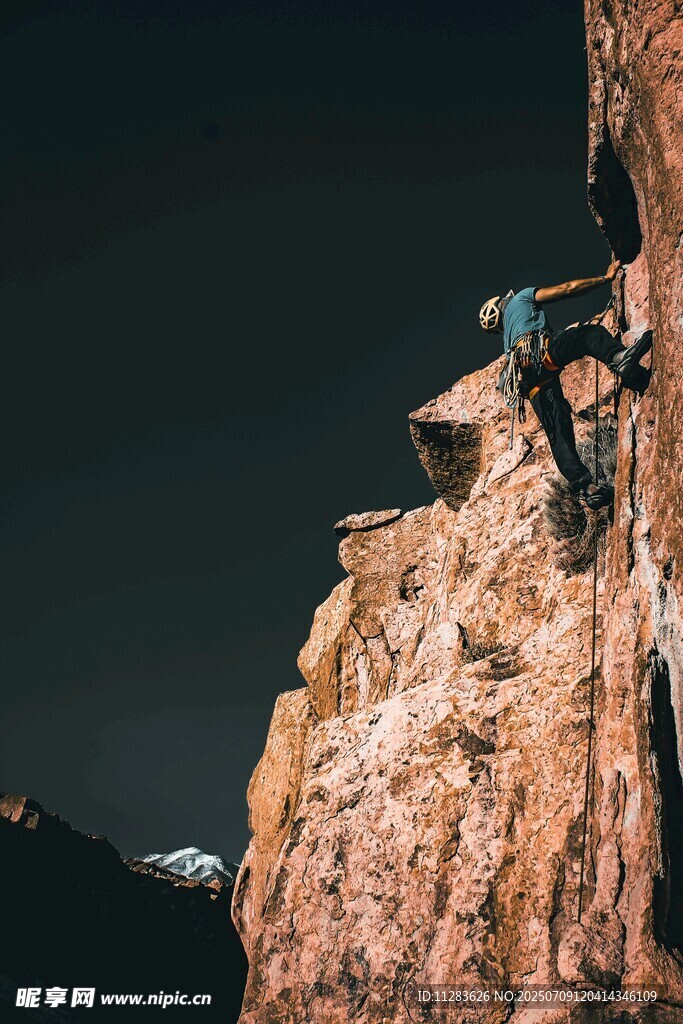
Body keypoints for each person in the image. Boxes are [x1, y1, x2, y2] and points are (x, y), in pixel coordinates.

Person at [479, 260, 652, 509]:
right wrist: (604, 279)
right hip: (541, 351)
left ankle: (585, 488)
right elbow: (567, 288)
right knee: (587, 335)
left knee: (558, 434)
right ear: (503, 301)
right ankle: (619, 359)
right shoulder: (521, 299)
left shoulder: (507, 341)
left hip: (529, 381)